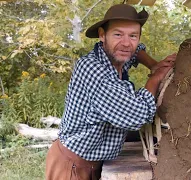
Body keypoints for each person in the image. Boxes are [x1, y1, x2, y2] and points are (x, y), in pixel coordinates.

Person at [45, 4, 176, 180]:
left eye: (133, 36)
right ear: (102, 35)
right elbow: (136, 116)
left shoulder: (115, 59)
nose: (126, 43)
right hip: (72, 165)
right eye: (118, 34)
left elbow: (135, 51)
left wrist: (153, 64)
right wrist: (155, 78)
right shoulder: (93, 69)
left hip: (94, 160)